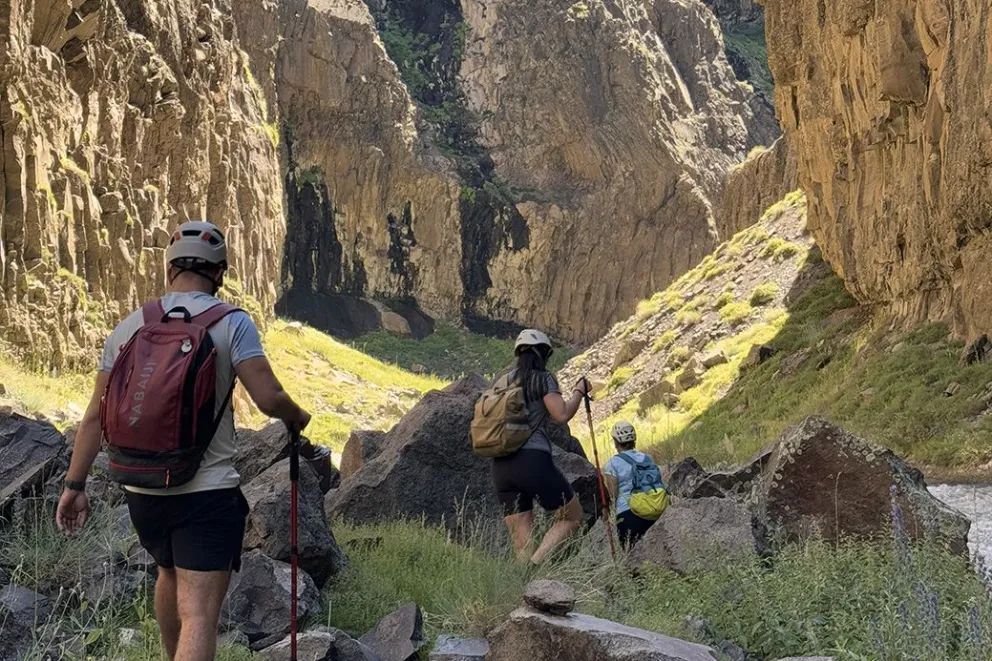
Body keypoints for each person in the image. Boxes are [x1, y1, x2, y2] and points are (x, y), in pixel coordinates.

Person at [55, 220, 311, 661]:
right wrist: (297, 416)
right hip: (204, 491)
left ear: (169, 268)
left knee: (167, 574)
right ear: (221, 272)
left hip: (142, 487)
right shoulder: (231, 322)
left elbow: (94, 416)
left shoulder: (130, 326)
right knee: (198, 615)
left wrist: (74, 486)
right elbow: (269, 398)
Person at [490, 329, 589, 564]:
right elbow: (561, 414)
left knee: (521, 543)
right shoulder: (542, 378)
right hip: (532, 460)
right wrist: (579, 391)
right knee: (571, 517)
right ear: (543, 353)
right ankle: (536, 565)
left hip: (501, 465)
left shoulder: (502, 381)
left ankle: (524, 585)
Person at [602, 420, 667, 548]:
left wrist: (608, 514)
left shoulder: (612, 464)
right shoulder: (648, 458)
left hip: (628, 513)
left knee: (632, 556)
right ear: (634, 439)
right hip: (654, 511)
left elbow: (613, 494)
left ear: (615, 442)